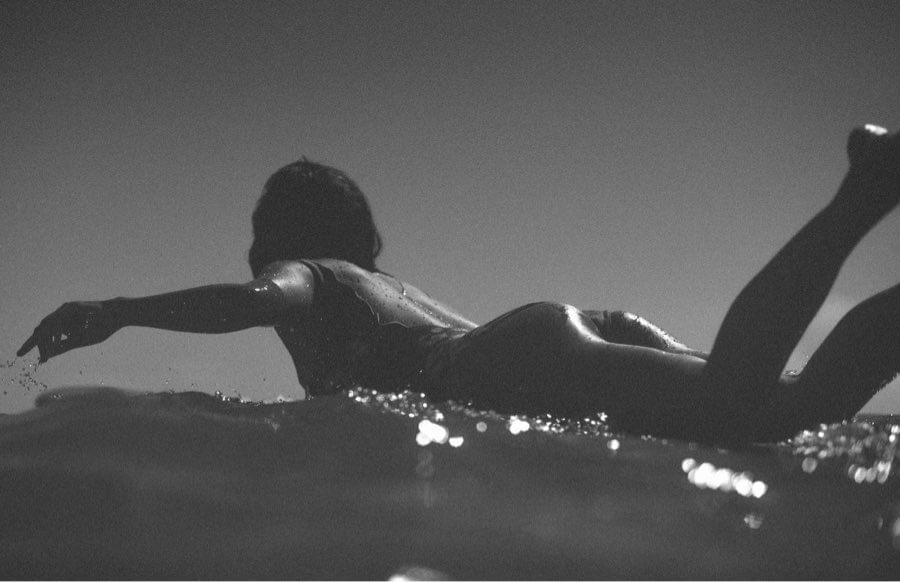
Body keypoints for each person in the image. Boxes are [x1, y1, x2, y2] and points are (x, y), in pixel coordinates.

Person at [17, 126, 900, 444]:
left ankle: (865, 190)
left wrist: (118, 312)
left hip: (510, 360)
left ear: (280, 235)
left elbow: (256, 304)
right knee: (790, 410)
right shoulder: (384, 285)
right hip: (551, 336)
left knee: (736, 403)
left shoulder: (316, 276)